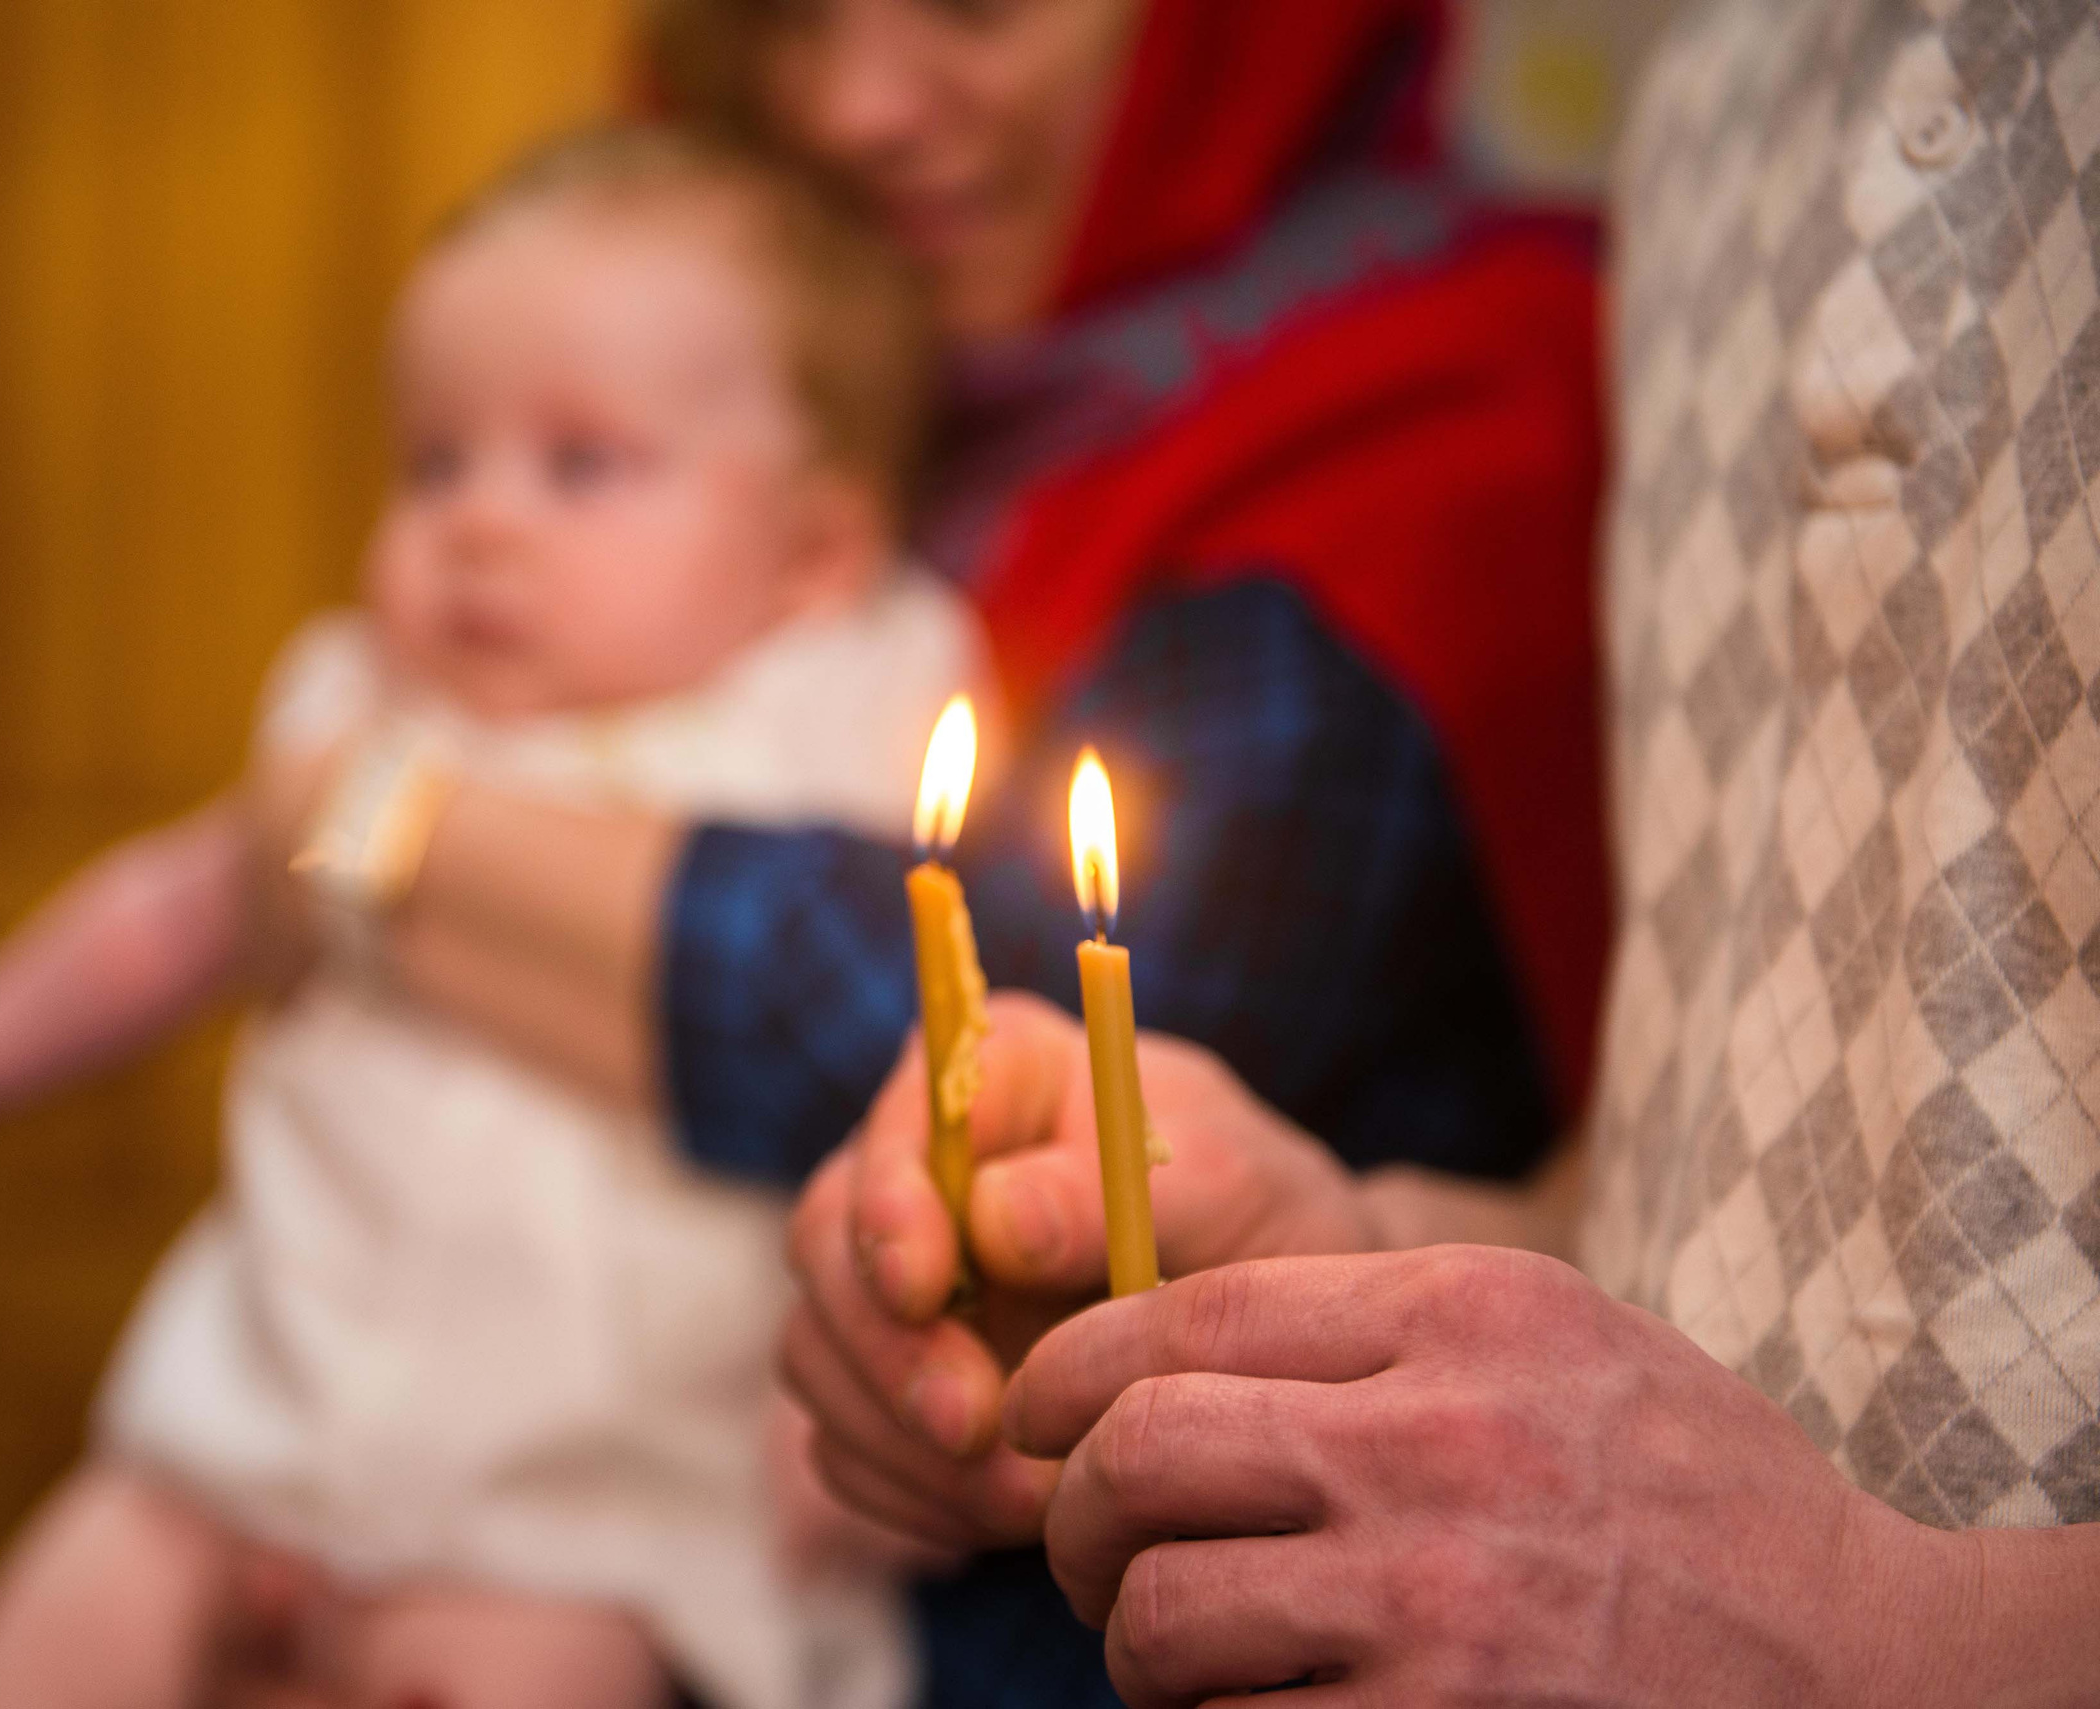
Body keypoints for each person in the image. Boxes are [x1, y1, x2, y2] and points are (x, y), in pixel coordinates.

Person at [783, 0, 2100, 1700]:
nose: (855, 104)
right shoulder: (1721, 98)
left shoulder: (1465, 359)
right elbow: (1775, 1153)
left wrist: (1910, 1629)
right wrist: (1345, 1248)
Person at [365, 4, 1612, 1698]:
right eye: (783, 19)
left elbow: (1006, 1004)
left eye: (973, 5)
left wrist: (338, 829)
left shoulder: (1457, 384)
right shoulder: (808, 394)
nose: (856, 107)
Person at [0, 127, 973, 1709]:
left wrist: (880, 1352)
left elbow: (916, 1053)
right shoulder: (372, 710)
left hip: (591, 1512)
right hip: (246, 1436)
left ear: (813, 548)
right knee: (65, 1610)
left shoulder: (847, 720)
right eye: (433, 461)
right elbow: (167, 915)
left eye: (580, 462)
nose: (478, 520)